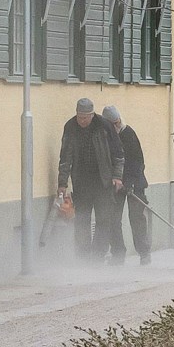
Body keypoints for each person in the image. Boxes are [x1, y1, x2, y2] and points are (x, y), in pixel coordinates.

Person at [62, 98, 117, 260]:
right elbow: (65, 157)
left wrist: (117, 177)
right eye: (79, 117)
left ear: (92, 115)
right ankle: (83, 256)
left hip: (103, 182)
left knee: (103, 220)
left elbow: (117, 153)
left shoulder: (104, 126)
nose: (82, 121)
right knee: (81, 220)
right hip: (82, 183)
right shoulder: (70, 127)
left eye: (85, 117)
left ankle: (98, 255)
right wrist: (62, 183)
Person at [101, 104, 154, 265]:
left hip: (134, 183)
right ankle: (118, 253)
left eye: (117, 122)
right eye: (113, 124)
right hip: (114, 184)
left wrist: (129, 183)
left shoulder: (128, 134)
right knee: (113, 219)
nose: (116, 126)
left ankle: (144, 253)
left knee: (136, 218)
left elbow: (138, 162)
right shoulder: (104, 137)